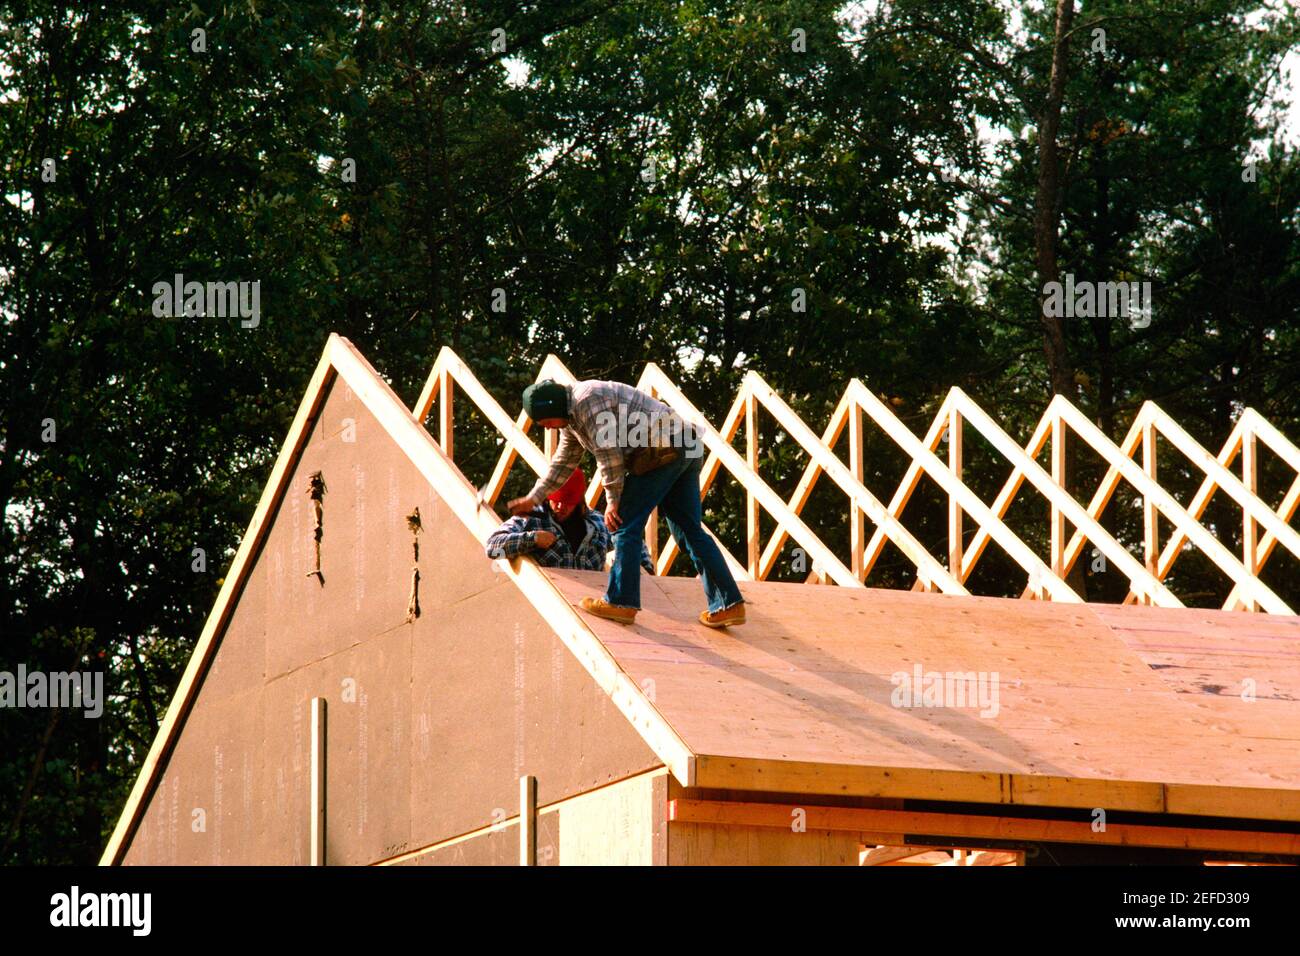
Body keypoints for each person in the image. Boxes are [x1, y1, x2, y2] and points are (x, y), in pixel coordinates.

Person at [506, 378, 745, 628]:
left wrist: (613, 500)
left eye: (545, 422)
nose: (547, 429)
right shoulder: (572, 419)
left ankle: (621, 602)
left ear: (553, 407)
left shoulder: (586, 400)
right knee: (688, 530)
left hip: (663, 447)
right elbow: (563, 463)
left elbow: (609, 454)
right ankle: (728, 604)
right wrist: (534, 498)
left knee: (623, 524)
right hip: (685, 443)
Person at [485, 467, 654, 573]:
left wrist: (646, 571)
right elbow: (492, 546)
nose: (559, 506)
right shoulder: (532, 520)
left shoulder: (598, 525)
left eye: (566, 503)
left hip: (591, 609)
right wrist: (533, 538)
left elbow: (631, 540)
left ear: (578, 501)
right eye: (555, 500)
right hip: (553, 608)